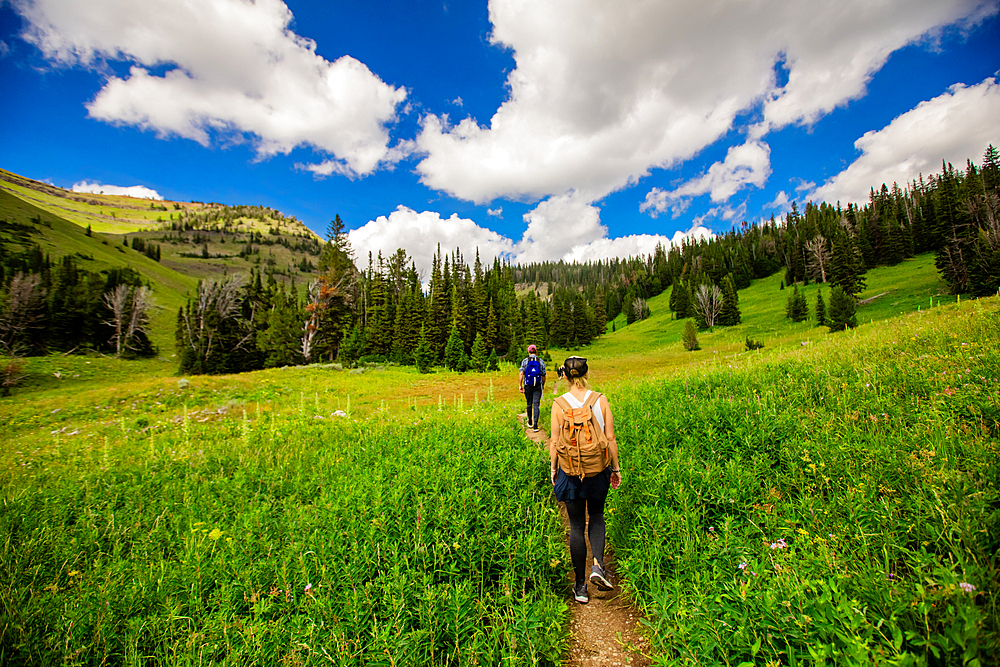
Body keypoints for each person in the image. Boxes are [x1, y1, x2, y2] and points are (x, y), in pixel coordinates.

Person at [549, 356, 622, 604]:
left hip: (570, 472)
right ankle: (598, 565)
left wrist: (554, 469)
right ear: (586, 374)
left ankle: (580, 586)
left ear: (566, 377)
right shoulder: (600, 400)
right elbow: (610, 438)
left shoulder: (558, 405)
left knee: (577, 526)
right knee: (598, 516)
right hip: (598, 469)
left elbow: (555, 441)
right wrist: (615, 468)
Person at [518, 344, 546, 432]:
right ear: (536, 351)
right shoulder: (540, 361)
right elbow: (543, 375)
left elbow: (521, 373)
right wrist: (543, 384)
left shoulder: (525, 361)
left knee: (529, 403)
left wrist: (520, 385)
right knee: (536, 405)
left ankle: (529, 422)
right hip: (538, 385)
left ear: (528, 351)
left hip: (528, 385)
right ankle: (535, 426)